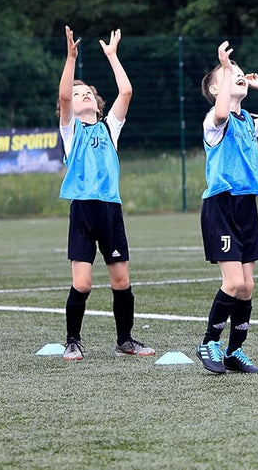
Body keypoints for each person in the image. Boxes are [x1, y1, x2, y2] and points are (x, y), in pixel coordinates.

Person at [195, 42, 258, 374]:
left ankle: (234, 351)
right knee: (235, 282)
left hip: (245, 207)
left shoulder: (251, 122)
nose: (237, 77)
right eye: (228, 76)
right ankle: (208, 341)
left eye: (240, 75)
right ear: (215, 89)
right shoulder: (215, 120)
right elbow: (223, 111)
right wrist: (225, 69)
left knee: (248, 286)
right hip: (221, 205)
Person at [57, 26, 154, 362]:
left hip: (111, 210)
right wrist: (71, 58)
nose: (81, 95)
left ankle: (125, 340)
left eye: (87, 94)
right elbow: (65, 96)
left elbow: (125, 91)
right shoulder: (71, 132)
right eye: (78, 93)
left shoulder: (109, 128)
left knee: (121, 280)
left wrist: (113, 57)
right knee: (82, 284)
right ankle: (72, 340)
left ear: (97, 105)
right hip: (82, 211)